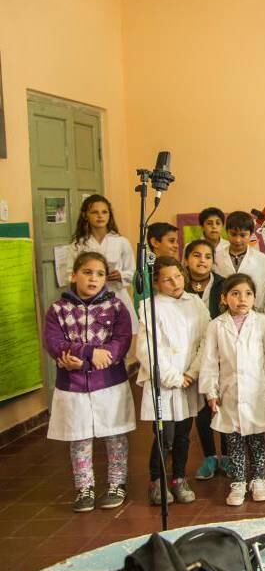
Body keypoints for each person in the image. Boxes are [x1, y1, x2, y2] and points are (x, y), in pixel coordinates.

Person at [44, 253, 135, 513]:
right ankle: (85, 487)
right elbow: (54, 343)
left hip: (109, 383)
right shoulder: (58, 309)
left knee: (115, 435)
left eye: (99, 274)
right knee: (79, 437)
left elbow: (120, 341)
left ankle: (117, 483)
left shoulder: (116, 307)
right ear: (74, 275)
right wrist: (88, 354)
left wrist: (86, 360)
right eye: (87, 272)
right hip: (72, 385)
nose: (93, 278)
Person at [199, 274, 265, 506]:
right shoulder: (216, 325)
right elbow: (209, 361)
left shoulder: (262, 323)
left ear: (254, 298)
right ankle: (238, 482)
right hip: (229, 393)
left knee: (256, 440)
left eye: (248, 294)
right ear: (224, 298)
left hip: (256, 392)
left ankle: (259, 479)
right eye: (235, 294)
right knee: (233, 440)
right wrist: (211, 392)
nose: (242, 299)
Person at [137, 256, 210, 505]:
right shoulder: (150, 307)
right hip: (166, 383)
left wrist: (192, 373)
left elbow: (205, 342)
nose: (175, 282)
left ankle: (179, 477)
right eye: (167, 279)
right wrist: (172, 377)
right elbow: (146, 350)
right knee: (164, 437)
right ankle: (157, 480)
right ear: (156, 282)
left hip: (189, 380)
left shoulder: (196, 303)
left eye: (178, 276)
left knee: (183, 435)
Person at [183, 239, 231, 480]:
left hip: (220, 355)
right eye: (196, 255)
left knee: (221, 404)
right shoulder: (179, 287)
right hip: (189, 357)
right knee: (201, 410)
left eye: (207, 256)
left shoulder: (223, 285)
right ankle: (210, 457)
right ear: (186, 259)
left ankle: (228, 457)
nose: (202, 260)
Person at [67, 195, 137, 334]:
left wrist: (120, 275)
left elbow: (132, 272)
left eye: (104, 212)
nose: (100, 216)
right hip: (88, 300)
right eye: (94, 212)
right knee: (93, 336)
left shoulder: (121, 242)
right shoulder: (78, 245)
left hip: (116, 295)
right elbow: (69, 274)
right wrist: (88, 277)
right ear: (85, 215)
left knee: (120, 338)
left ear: (109, 215)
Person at [213, 211, 265, 323]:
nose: (238, 240)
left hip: (256, 319)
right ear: (226, 232)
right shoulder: (216, 258)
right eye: (233, 234)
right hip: (223, 320)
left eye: (243, 235)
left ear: (251, 234)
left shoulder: (262, 260)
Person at [134, 222, 180, 313]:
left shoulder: (173, 266)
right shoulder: (145, 270)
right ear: (155, 242)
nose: (176, 245)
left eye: (176, 241)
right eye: (171, 241)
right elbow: (143, 305)